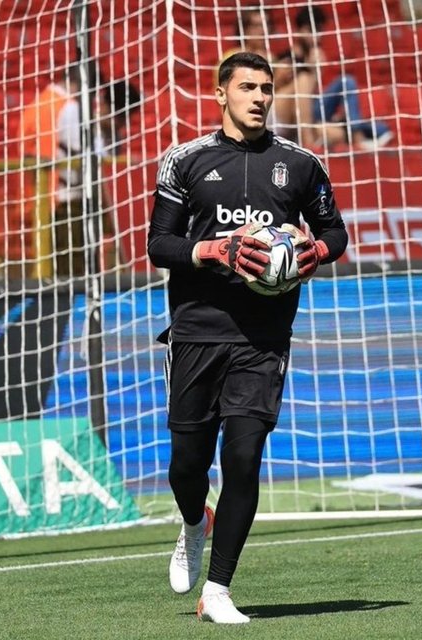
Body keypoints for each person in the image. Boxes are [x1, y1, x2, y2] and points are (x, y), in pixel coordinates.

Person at [147, 51, 348, 624]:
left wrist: (316, 251)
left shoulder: (301, 164)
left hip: (263, 337)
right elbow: (159, 244)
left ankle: (217, 591)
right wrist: (213, 249)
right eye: (247, 88)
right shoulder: (185, 159)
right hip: (196, 330)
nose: (259, 98)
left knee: (243, 456)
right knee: (187, 465)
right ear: (221, 93)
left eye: (266, 88)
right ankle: (195, 522)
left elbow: (335, 231)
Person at [18, 65, 140, 277]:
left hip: (44, 199)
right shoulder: (70, 109)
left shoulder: (43, 104)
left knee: (66, 270)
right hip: (64, 202)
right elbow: (95, 159)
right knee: (72, 274)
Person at [274, 6, 393, 150]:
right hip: (296, 116)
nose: (315, 36)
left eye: (318, 30)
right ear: (299, 31)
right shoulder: (287, 59)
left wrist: (317, 71)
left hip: (316, 109)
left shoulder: (318, 54)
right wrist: (311, 70)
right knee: (365, 127)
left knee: (347, 83)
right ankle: (358, 135)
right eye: (310, 30)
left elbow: (315, 93)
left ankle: (357, 129)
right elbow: (288, 97)